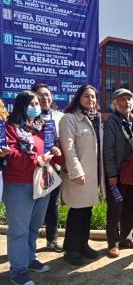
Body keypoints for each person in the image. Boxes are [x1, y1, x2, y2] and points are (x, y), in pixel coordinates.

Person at [3, 91, 63, 285]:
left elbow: (52, 154)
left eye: (37, 102)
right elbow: (11, 155)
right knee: (19, 230)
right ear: (21, 105)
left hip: (42, 183)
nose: (36, 106)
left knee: (34, 227)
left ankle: (29, 259)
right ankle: (17, 270)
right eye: (32, 103)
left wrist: (56, 152)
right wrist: (37, 160)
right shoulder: (10, 127)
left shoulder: (42, 127)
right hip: (19, 184)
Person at [59, 85, 106, 265]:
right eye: (87, 96)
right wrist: (77, 172)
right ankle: (70, 249)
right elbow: (68, 149)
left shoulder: (96, 119)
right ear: (78, 98)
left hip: (93, 173)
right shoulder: (69, 119)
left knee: (87, 210)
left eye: (93, 97)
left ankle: (83, 245)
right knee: (77, 211)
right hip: (79, 174)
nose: (91, 100)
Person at [103, 89, 133, 258]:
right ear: (115, 103)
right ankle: (113, 242)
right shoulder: (111, 122)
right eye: (122, 99)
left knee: (130, 207)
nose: (126, 102)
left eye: (129, 99)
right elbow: (108, 151)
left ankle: (127, 237)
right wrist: (111, 174)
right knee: (115, 208)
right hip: (117, 175)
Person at [31, 83, 65, 253]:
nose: (44, 97)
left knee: (52, 204)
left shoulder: (60, 116)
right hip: (33, 167)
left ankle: (52, 240)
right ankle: (29, 243)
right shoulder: (28, 118)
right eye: (40, 95)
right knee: (34, 204)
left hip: (54, 167)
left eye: (47, 94)